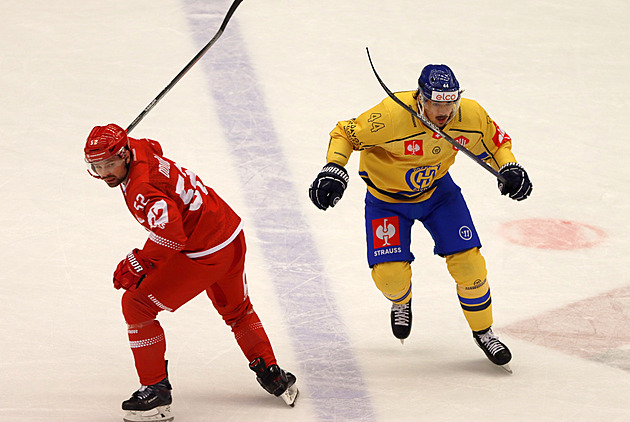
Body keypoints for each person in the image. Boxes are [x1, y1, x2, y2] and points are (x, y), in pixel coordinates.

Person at [308, 64, 532, 372]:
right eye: (437, 103)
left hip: (439, 195)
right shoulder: (388, 116)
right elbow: (345, 132)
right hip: (387, 202)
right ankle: (401, 300)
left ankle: (484, 331)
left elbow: (495, 142)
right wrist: (334, 168)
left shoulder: (470, 114)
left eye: (450, 103)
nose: (444, 112)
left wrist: (509, 167)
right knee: (391, 279)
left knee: (470, 266)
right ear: (420, 98)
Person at [84, 124, 298, 420]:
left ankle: (156, 393)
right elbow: (153, 144)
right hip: (230, 234)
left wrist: (140, 261)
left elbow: (171, 235)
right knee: (237, 311)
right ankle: (273, 375)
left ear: (124, 154)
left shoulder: (141, 190)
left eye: (111, 163)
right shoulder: (139, 148)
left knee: (136, 305)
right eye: (97, 165)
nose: (106, 172)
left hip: (205, 254)